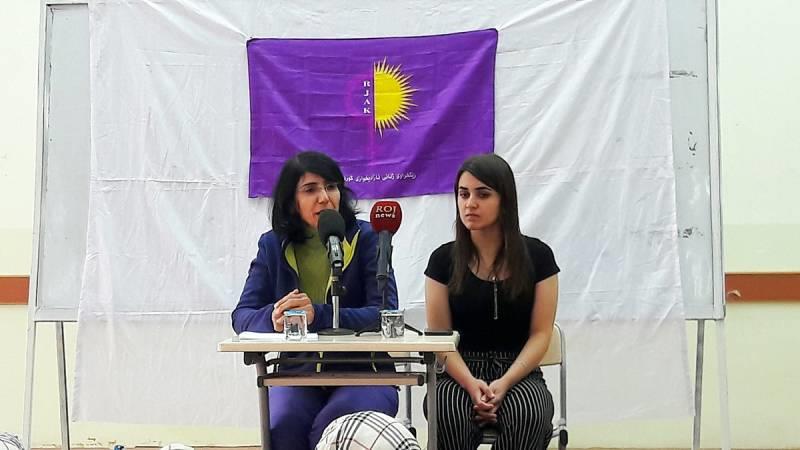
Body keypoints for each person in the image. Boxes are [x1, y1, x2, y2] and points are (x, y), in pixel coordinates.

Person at [232, 151, 399, 450]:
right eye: (310, 190)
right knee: (283, 423)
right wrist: (273, 317)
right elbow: (241, 315)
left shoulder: (367, 237)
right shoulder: (272, 245)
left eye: (331, 187)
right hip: (297, 372)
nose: (324, 197)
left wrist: (317, 316)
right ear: (291, 202)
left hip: (365, 372)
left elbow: (384, 311)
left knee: (336, 423)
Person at [424, 154, 560, 450]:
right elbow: (440, 340)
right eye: (463, 194)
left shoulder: (539, 257)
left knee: (528, 413)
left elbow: (541, 334)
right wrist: (471, 383)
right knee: (447, 411)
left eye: (482, 194)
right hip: (458, 370)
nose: (470, 203)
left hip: (519, 369)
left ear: (505, 200)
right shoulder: (442, 260)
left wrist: (506, 381)